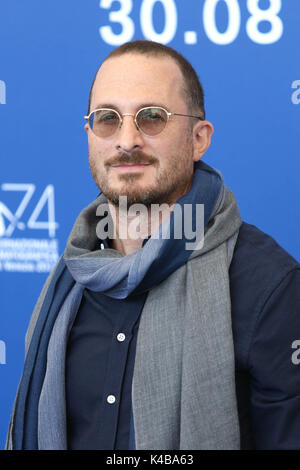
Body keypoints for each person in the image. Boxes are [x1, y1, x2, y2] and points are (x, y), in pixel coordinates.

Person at [6, 40, 300, 451]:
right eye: (108, 119)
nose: (127, 140)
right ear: (90, 134)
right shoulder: (70, 279)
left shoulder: (270, 286)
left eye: (152, 118)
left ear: (199, 139)